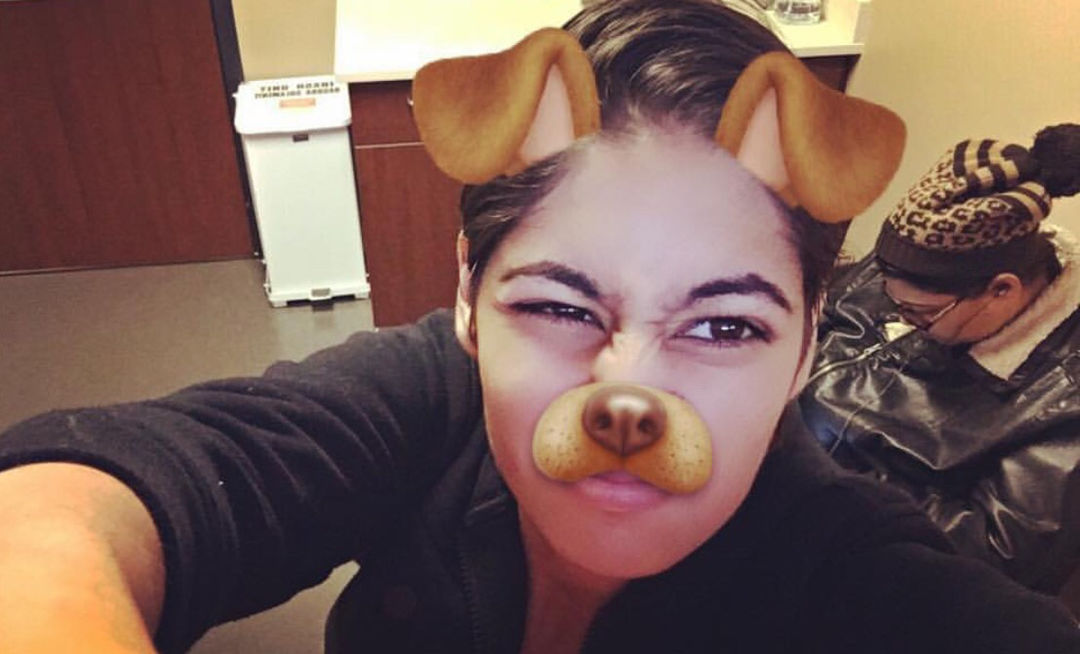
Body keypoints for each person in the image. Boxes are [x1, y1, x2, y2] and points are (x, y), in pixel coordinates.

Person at [1, 2, 1077, 653]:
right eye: (560, 307)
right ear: (470, 298)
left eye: (724, 328)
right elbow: (72, 502)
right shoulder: (433, 397)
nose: (626, 394)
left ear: (806, 347)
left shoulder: (848, 568)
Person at [799, 123, 1080, 599]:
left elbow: (995, 555)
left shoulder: (1062, 399)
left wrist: (818, 473)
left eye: (917, 313)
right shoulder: (918, 273)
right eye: (888, 294)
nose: (897, 316)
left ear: (1002, 290)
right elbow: (821, 317)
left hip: (867, 562)